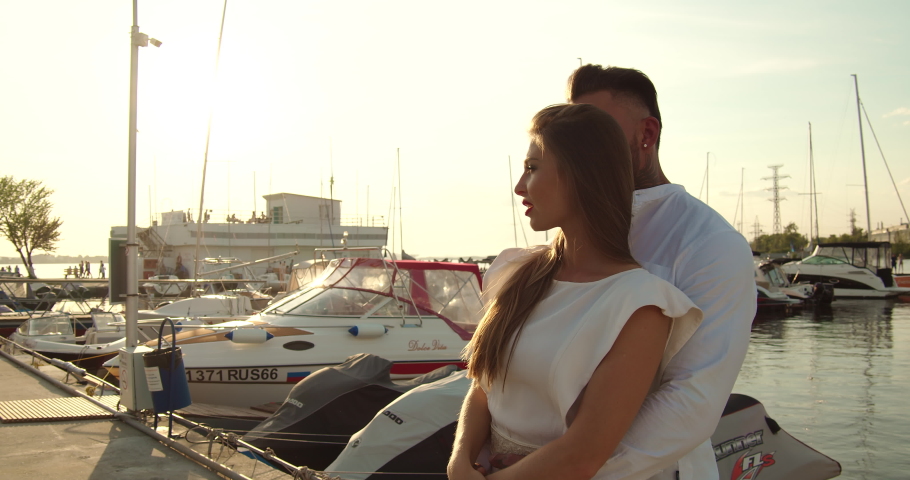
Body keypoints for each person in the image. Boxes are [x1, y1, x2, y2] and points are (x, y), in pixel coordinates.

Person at [448, 104, 704, 480]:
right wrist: (459, 461)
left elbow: (584, 453)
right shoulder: (518, 273)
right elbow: (484, 387)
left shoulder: (641, 304)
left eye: (532, 168)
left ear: (581, 177)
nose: (520, 186)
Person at [565, 65, 756, 478]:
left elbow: (692, 400)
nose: (578, 151)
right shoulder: (569, 235)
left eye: (595, 133)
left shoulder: (709, 243)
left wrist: (568, 470)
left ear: (645, 135)